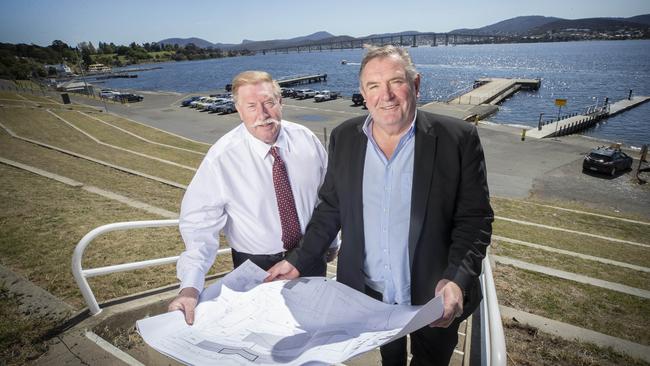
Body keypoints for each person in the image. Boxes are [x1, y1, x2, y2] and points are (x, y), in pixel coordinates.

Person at [266, 46, 493, 365]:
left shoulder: (458, 139)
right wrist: (298, 261)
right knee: (391, 358)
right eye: (373, 85)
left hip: (434, 297)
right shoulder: (345, 137)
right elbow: (330, 208)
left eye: (395, 82)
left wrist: (456, 278)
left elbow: (475, 220)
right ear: (362, 92)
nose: (385, 95)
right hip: (367, 297)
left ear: (415, 84)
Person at [169, 71, 337, 325]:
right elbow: (198, 226)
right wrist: (190, 287)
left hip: (309, 256)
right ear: (238, 109)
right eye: (251, 106)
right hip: (257, 268)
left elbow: (327, 198)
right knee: (265, 333)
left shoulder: (307, 140)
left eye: (269, 103)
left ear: (281, 102)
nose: (262, 114)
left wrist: (332, 241)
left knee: (314, 327)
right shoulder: (222, 159)